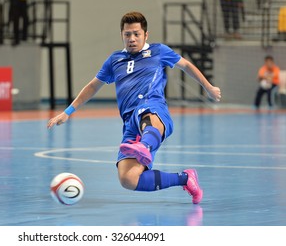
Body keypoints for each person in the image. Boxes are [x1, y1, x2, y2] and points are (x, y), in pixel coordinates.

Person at [47, 12, 222, 204]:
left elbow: (186, 65)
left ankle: (145, 145)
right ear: (122, 35)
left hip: (153, 107)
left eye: (136, 34)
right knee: (128, 179)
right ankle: (185, 178)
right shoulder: (114, 60)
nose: (132, 39)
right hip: (130, 122)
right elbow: (92, 86)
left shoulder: (158, 51)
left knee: (145, 113)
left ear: (146, 35)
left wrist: (208, 87)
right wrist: (67, 112)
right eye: (127, 34)